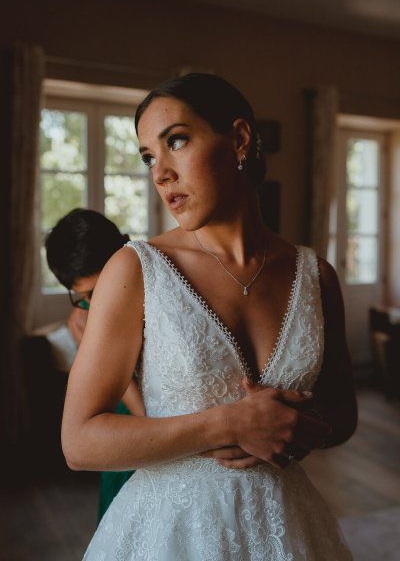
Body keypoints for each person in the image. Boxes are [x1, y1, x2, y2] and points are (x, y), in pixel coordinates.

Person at [61, 73, 357, 560]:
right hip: (173, 533)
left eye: (176, 141)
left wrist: (295, 424)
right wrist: (228, 425)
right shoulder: (136, 269)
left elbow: (343, 415)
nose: (160, 173)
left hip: (288, 527)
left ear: (238, 139)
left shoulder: (315, 275)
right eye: (149, 157)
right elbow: (79, 441)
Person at [45, 208, 145, 522]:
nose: (94, 302)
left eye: (101, 288)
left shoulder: (151, 282)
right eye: (84, 295)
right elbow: (129, 392)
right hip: (133, 419)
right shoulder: (82, 318)